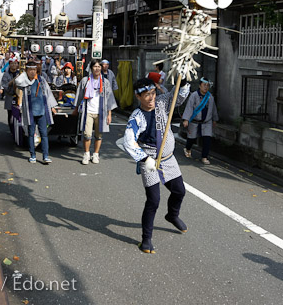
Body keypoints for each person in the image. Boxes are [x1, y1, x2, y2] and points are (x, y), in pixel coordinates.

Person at [123, 77, 191, 253]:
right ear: (138, 97)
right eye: (147, 95)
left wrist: (182, 82)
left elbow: (180, 96)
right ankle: (146, 239)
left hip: (168, 158)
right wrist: (145, 160)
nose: (151, 98)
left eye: (153, 93)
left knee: (179, 191)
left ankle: (172, 215)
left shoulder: (162, 102)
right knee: (153, 200)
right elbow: (129, 141)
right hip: (151, 160)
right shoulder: (136, 117)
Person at [73, 59, 118, 165]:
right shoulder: (85, 80)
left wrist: (109, 114)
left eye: (99, 66)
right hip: (88, 110)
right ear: (91, 68)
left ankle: (96, 154)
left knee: (99, 135)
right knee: (87, 134)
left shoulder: (105, 82)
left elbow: (109, 99)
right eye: (95, 66)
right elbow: (80, 95)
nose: (97, 68)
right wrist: (75, 109)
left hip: (101, 112)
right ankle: (86, 154)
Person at [14, 61, 57, 164]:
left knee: (44, 134)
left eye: (34, 70)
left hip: (42, 111)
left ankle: (45, 156)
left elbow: (48, 93)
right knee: (30, 133)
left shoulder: (41, 80)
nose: (32, 72)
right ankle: (32, 155)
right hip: (30, 112)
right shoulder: (23, 81)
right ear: (26, 71)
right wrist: (23, 74)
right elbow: (17, 83)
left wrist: (52, 107)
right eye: (30, 70)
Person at [182, 77, 219, 165]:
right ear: (200, 86)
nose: (206, 87)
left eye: (207, 85)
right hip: (194, 121)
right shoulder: (194, 95)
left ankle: (204, 157)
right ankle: (187, 148)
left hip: (207, 122)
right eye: (204, 85)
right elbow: (189, 107)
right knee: (191, 139)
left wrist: (215, 119)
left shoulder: (210, 97)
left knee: (207, 139)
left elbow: (213, 109)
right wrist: (186, 119)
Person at [1, 58, 20, 133]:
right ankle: (12, 130)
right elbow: (5, 86)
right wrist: (14, 80)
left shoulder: (20, 73)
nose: (14, 65)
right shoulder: (6, 74)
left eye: (15, 63)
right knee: (10, 114)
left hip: (18, 96)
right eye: (12, 63)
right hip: (10, 96)